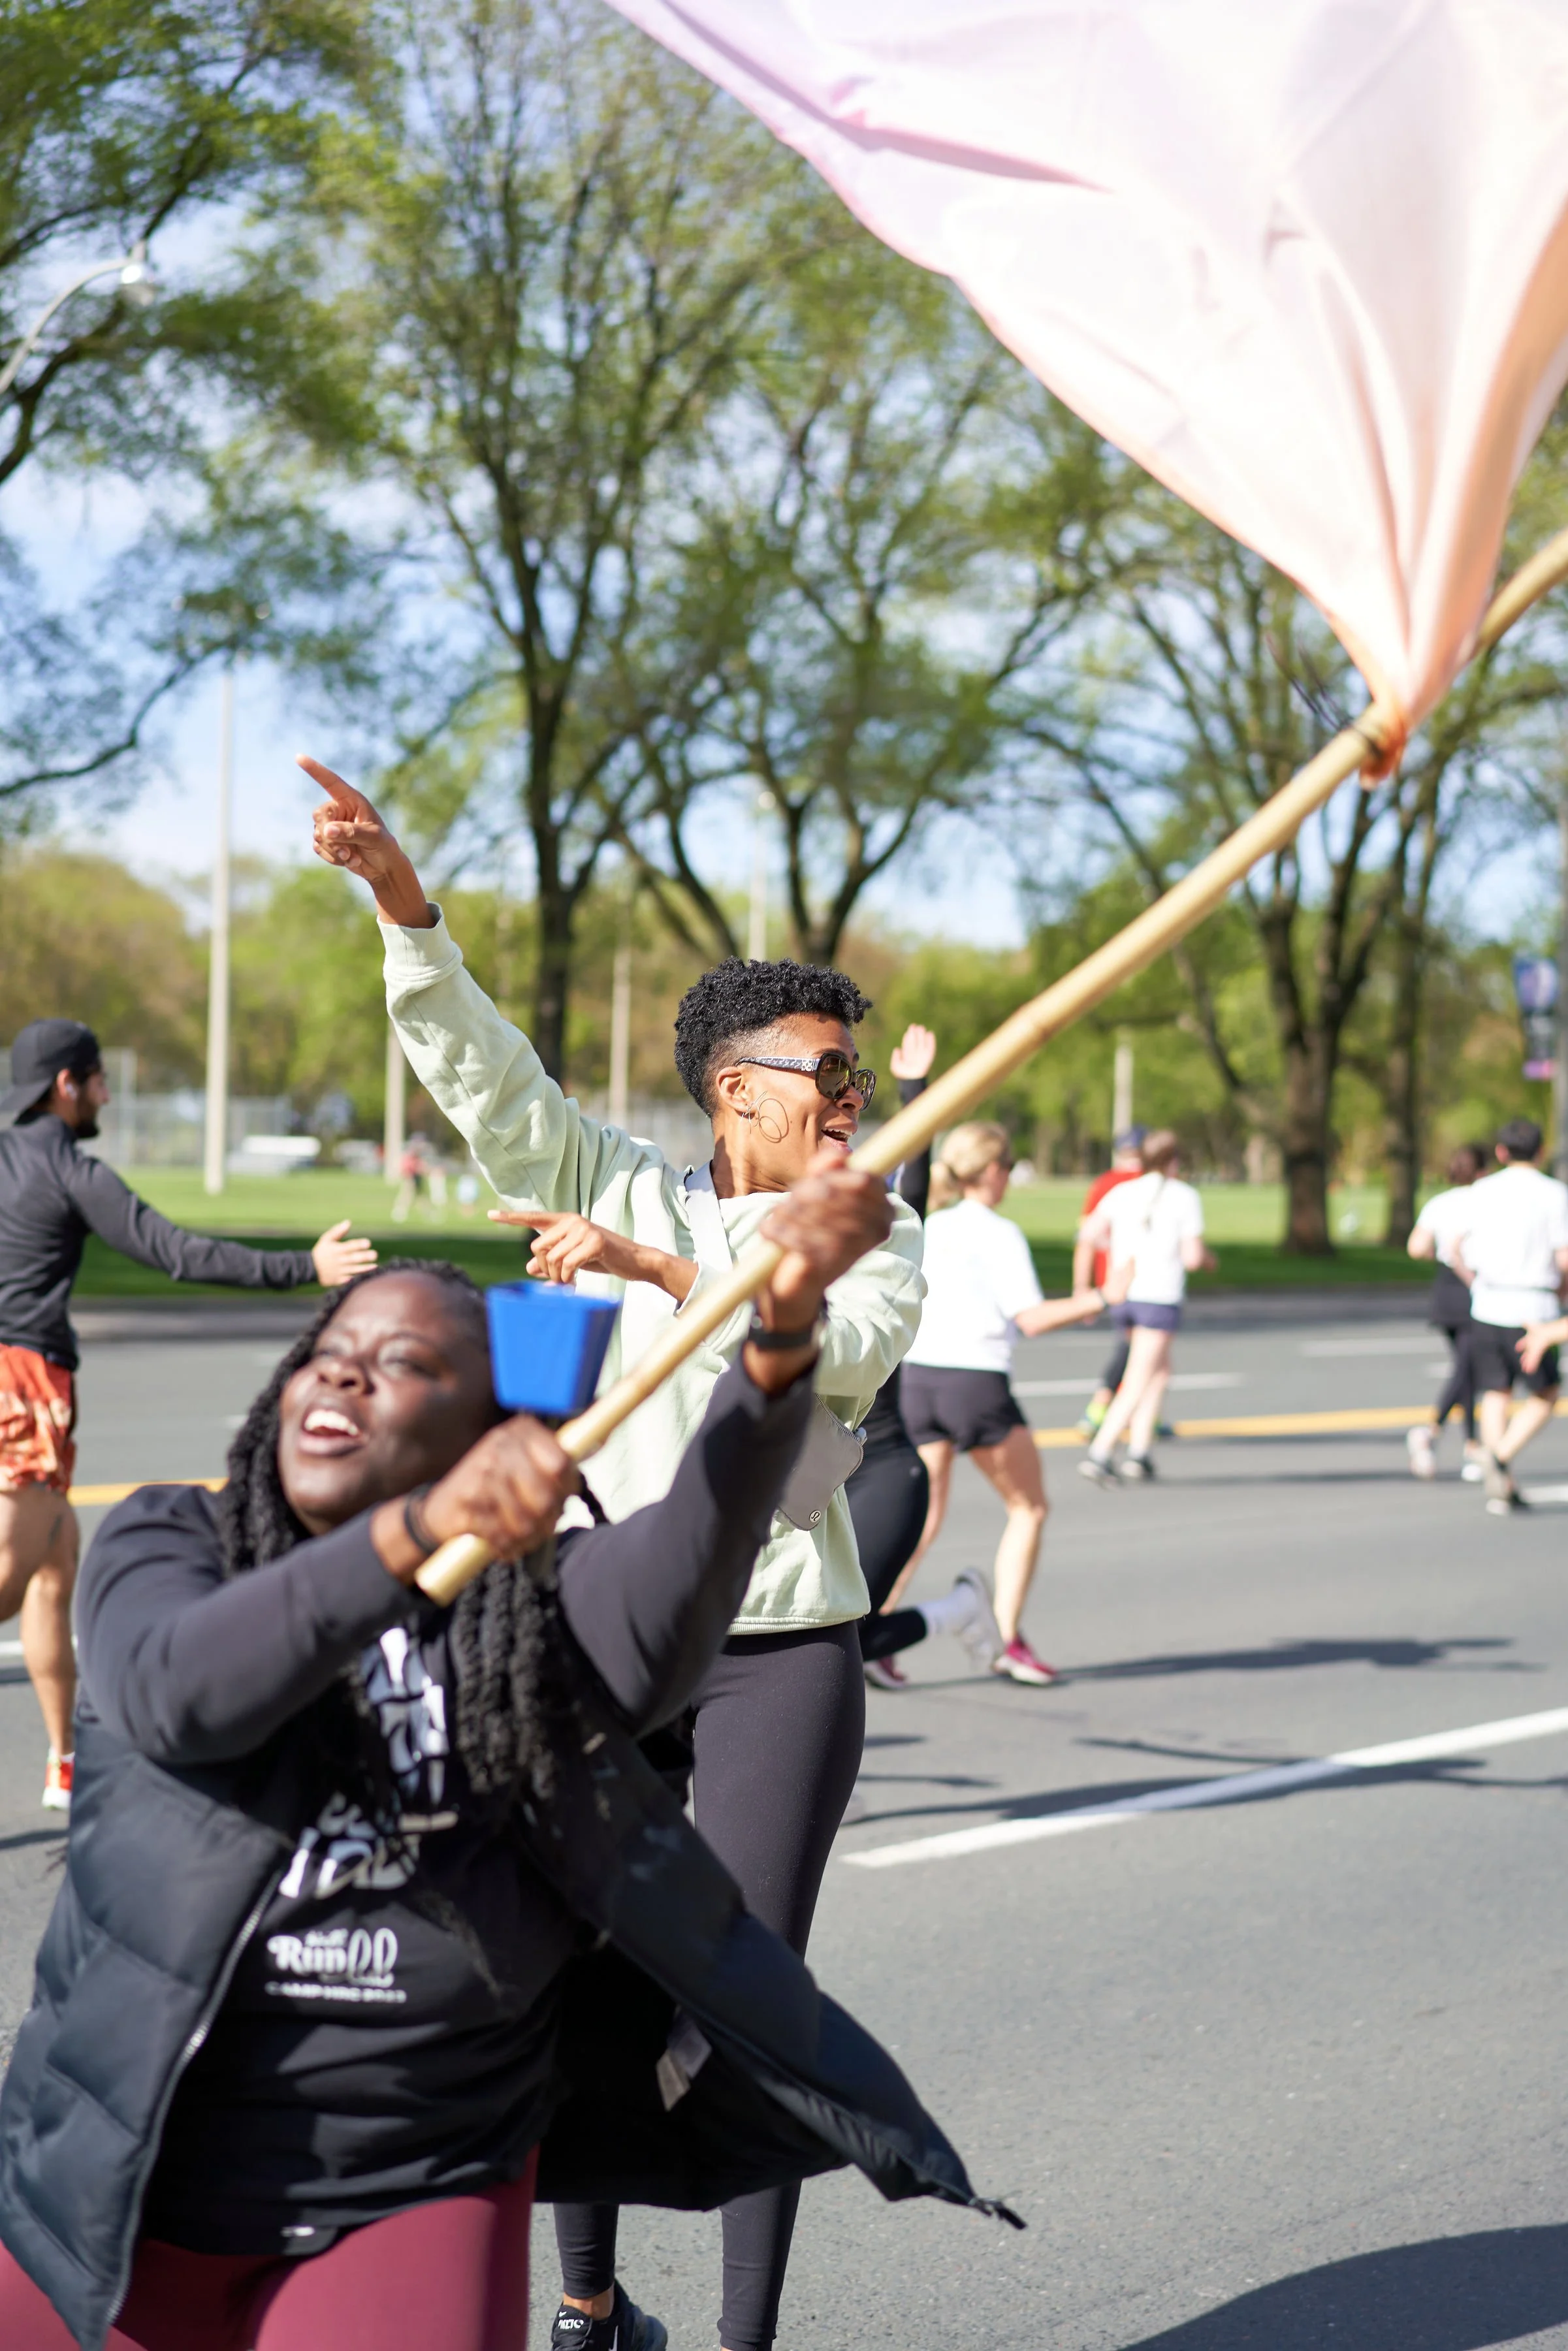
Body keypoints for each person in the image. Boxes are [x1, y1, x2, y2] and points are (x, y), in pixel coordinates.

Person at [0, 1186, 1006, 2351]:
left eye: (405, 1363)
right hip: (128, 2168)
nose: (342, 1375)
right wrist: (413, 1533)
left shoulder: (534, 1606)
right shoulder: (171, 1539)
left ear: (487, 1431)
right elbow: (181, 1694)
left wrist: (776, 1346)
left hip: (411, 2169)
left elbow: (686, 1570)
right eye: (329, 1355)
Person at [302, 758, 923, 2351]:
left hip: (785, 1639)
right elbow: (487, 1082)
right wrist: (404, 909)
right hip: (611, 1635)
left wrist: (652, 1265)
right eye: (827, 1067)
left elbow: (826, 1351)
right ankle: (586, 2308)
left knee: (749, 2001)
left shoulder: (874, 1224)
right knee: (569, 1984)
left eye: (856, 1069)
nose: (851, 1093)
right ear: (737, 1088)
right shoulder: (615, 1177)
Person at [0, 1017, 376, 1809]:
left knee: (53, 1567)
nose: (105, 1090)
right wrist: (302, 1267)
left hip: (22, 1375)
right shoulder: (68, 1168)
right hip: (23, 1382)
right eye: (97, 1078)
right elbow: (173, 1251)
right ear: (65, 1085)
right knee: (9, 1578)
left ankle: (66, 1762)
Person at [888, 1121, 1115, 1686]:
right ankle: (1006, 1640)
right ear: (992, 1172)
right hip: (976, 1382)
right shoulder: (998, 1232)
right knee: (1028, 1507)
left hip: (917, 1377)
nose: (1010, 1177)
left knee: (922, 1518)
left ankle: (875, 1636)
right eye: (1009, 1166)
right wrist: (1104, 1296)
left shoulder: (928, 1222)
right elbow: (1030, 1318)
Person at [849, 1023, 1003, 1693]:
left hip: (881, 1470)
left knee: (836, 1641)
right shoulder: (758, 1250)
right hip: (799, 1483)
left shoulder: (884, 1248)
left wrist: (916, 1095)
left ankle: (958, 1613)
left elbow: (907, 1187)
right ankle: (960, 1611)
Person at [1076, 1128, 1216, 1486]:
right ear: (1173, 1161)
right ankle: (1101, 1452)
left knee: (1159, 1372)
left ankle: (1140, 1451)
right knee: (1139, 1376)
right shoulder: (1183, 1196)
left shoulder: (1123, 1193)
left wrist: (1086, 1284)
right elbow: (1193, 1256)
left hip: (1126, 1293)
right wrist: (1208, 1259)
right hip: (1160, 1297)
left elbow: (1090, 1234)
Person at [1448, 1118, 1568, 1515]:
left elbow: (1455, 1248)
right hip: (1535, 1309)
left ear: (1501, 1152)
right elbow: (1564, 1257)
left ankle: (1500, 1482)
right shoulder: (1554, 1195)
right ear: (1541, 1150)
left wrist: (1476, 1285)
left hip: (1488, 1303)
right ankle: (1500, 1457)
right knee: (1545, 1393)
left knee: (1496, 1393)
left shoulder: (1481, 1192)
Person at [1405, 1142, 1488, 1482]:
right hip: (1475, 1285)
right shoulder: (1487, 1202)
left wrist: (1439, 1251)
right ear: (1483, 1171)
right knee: (1468, 1369)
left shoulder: (1440, 1203)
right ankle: (1431, 1431)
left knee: (1467, 1367)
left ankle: (1471, 1445)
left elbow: (1416, 1247)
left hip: (1445, 1290)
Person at [1071, 1125, 1147, 1435]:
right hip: (1138, 1280)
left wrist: (1083, 1288)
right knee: (1135, 1348)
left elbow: (1085, 1238)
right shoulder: (1150, 1185)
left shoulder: (1104, 1184)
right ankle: (1101, 1407)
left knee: (1140, 1348)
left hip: (1109, 1278)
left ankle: (1140, 1412)